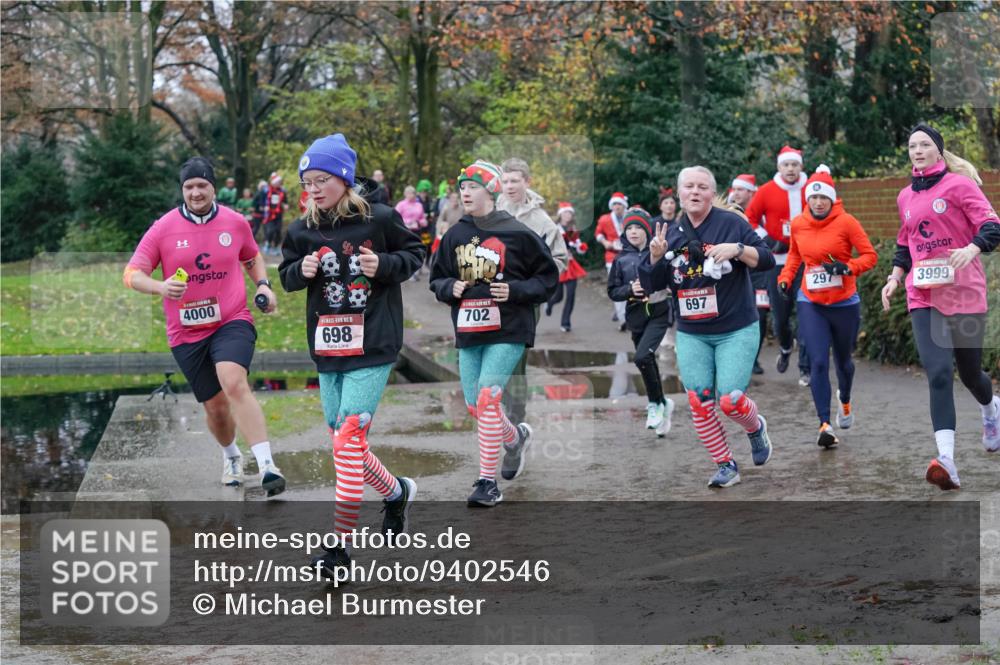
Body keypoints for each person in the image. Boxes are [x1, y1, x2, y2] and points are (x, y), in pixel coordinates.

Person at [279, 133, 425, 572]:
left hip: (374, 341)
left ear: (343, 177)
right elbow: (286, 275)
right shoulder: (301, 229)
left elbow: (415, 253)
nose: (315, 189)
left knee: (347, 439)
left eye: (323, 179)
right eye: (308, 182)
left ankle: (339, 549)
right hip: (327, 346)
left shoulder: (380, 218)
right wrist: (298, 272)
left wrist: (384, 266)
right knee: (343, 441)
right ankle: (397, 493)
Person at [122, 157, 286, 496]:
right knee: (216, 408)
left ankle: (268, 464)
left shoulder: (235, 222)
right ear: (182, 190)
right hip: (186, 331)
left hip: (231, 319)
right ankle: (231, 456)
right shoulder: (164, 227)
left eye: (202, 185)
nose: (196, 192)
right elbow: (131, 274)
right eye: (189, 187)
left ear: (213, 187)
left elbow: (251, 256)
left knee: (234, 381)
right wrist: (161, 287)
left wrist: (264, 285)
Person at [429, 160, 559, 506]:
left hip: (509, 328)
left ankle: (487, 482)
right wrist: (450, 287)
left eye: (472, 186)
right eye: (462, 188)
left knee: (488, 399)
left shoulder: (517, 232)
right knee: (476, 406)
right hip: (470, 329)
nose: (465, 193)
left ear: (490, 190)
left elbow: (548, 279)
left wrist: (515, 291)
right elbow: (436, 278)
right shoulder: (456, 234)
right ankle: (515, 437)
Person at [639, 166, 776, 488]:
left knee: (730, 400)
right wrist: (655, 257)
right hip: (692, 332)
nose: (695, 192)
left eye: (702, 187)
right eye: (689, 186)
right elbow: (653, 286)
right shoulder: (669, 233)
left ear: (712, 193)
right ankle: (726, 463)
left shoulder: (731, 223)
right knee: (699, 401)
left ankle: (755, 428)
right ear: (679, 193)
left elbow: (768, 258)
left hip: (736, 327)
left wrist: (739, 250)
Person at [882, 124, 1000, 490]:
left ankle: (991, 409)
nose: (917, 150)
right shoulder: (905, 197)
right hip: (924, 295)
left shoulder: (960, 186)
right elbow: (906, 244)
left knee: (970, 374)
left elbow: (993, 225)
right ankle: (946, 459)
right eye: (912, 145)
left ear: (938, 151)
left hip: (964, 292)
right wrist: (895, 277)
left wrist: (972, 247)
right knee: (937, 373)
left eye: (924, 145)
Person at [778, 167, 878, 448]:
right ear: (807, 199)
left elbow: (870, 256)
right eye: (814, 197)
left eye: (824, 197)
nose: (819, 202)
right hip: (811, 301)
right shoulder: (799, 224)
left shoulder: (847, 222)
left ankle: (844, 400)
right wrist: (785, 278)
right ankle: (824, 424)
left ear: (832, 199)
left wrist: (848, 267)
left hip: (844, 302)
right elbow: (795, 255)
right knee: (818, 361)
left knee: (844, 362)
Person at [497, 157, 570, 425]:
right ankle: (496, 417)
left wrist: (534, 284)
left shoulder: (542, 222)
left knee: (514, 362)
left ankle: (515, 423)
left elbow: (560, 260)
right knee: (489, 359)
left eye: (515, 180)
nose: (509, 186)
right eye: (505, 181)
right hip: (489, 299)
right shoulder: (489, 213)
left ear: (527, 182)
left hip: (524, 301)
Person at [607, 206, 676, 437]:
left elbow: (670, 278)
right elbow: (613, 291)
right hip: (635, 316)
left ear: (647, 230)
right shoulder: (620, 260)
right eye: (629, 228)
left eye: (638, 227)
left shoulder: (658, 252)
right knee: (646, 361)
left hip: (658, 311)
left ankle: (655, 404)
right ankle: (663, 403)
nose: (634, 232)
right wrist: (629, 290)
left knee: (642, 357)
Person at [745, 146, 811, 385]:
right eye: (786, 165)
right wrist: (766, 238)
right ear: (779, 167)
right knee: (780, 318)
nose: (791, 169)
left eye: (795, 164)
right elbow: (749, 218)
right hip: (778, 264)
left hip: (806, 262)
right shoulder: (766, 191)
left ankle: (806, 368)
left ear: (801, 166)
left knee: (807, 315)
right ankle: (785, 346)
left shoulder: (811, 188)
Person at [727, 174, 768, 374]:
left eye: (740, 189)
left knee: (760, 313)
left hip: (761, 272)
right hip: (734, 272)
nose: (735, 193)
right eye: (734, 189)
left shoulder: (765, 213)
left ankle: (753, 358)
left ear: (752, 192)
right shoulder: (726, 210)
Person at [545, 202, 588, 332]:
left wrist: (581, 248)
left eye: (569, 213)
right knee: (558, 296)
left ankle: (565, 322)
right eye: (565, 212)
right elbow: (548, 245)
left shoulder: (573, 229)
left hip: (571, 264)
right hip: (558, 264)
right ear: (560, 215)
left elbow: (577, 244)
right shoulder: (554, 228)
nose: (567, 215)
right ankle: (550, 304)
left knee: (571, 295)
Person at [596, 192, 629, 329]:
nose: (617, 206)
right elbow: (598, 233)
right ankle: (623, 320)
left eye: (619, 204)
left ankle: (626, 315)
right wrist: (604, 242)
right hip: (612, 257)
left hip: (629, 256)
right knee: (616, 286)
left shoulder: (630, 217)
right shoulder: (605, 219)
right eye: (614, 204)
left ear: (624, 205)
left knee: (629, 286)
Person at [395, 186, 428, 277]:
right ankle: (406, 270)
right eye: (408, 193)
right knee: (405, 250)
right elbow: (395, 218)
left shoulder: (419, 205)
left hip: (416, 231)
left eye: (412, 193)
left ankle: (416, 269)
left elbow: (423, 219)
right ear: (405, 194)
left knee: (417, 250)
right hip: (404, 231)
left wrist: (419, 222)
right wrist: (407, 222)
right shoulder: (401, 205)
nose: (410, 195)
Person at [263, 174, 288, 256]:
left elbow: (285, 201)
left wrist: (285, 205)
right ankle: (268, 244)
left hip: (278, 213)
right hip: (270, 214)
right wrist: (265, 206)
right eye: (277, 182)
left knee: (278, 231)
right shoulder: (267, 190)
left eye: (279, 182)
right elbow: (262, 200)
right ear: (273, 183)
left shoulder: (282, 191)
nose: (278, 184)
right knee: (270, 230)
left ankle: (276, 247)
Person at [433, 189, 463, 256]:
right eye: (453, 198)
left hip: (459, 234)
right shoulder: (446, 208)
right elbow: (440, 221)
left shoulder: (462, 209)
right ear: (450, 199)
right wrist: (438, 233)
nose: (455, 200)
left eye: (457, 198)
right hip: (448, 234)